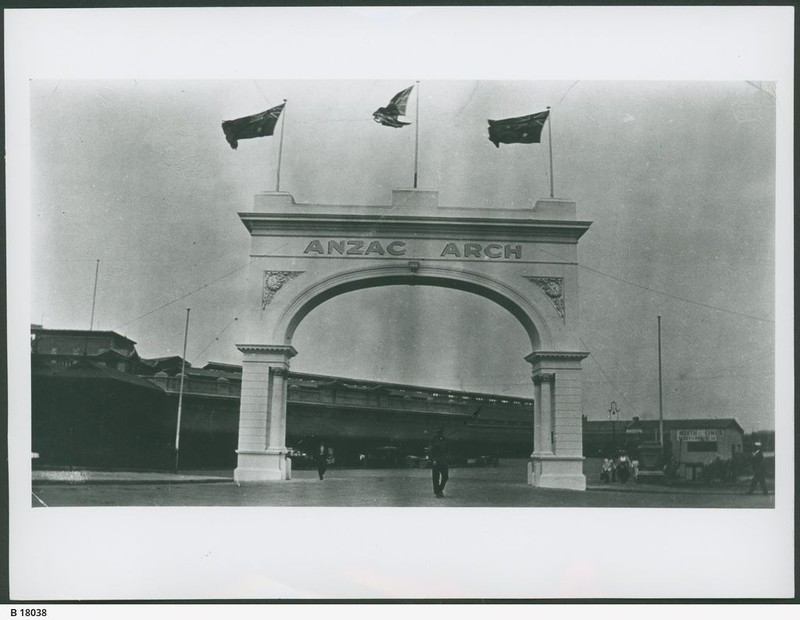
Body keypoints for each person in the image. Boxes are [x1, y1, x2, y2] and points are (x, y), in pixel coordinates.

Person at [429, 427, 450, 498]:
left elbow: (448, 450)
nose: (438, 434)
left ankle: (440, 489)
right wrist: (433, 460)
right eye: (437, 432)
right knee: (435, 478)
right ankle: (437, 492)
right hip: (436, 461)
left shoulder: (445, 440)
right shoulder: (433, 440)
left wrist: (447, 458)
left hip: (443, 461)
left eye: (439, 432)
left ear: (442, 433)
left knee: (445, 476)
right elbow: (431, 451)